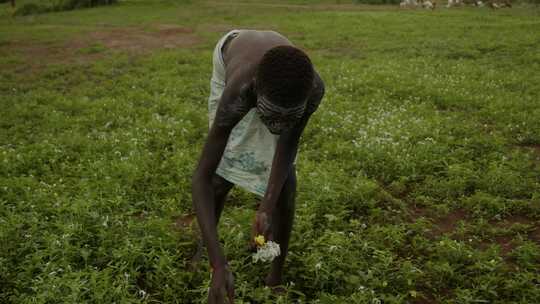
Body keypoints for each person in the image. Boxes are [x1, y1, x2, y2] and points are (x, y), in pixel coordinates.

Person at [192, 29, 325, 304]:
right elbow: (202, 178)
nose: (278, 127)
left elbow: (287, 144)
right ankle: (206, 250)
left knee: (286, 188)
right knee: (220, 178)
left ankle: (274, 278)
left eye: (290, 117)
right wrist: (220, 266)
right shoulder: (239, 90)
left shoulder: (312, 90)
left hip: (275, 83)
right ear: (255, 93)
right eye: (271, 116)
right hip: (233, 53)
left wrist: (266, 208)